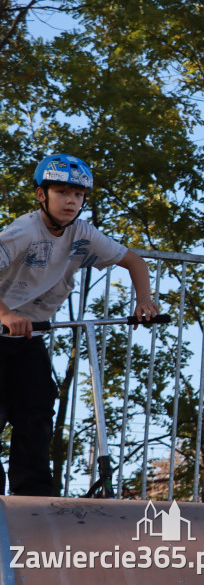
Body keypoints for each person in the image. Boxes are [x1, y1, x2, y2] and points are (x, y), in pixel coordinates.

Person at [0, 154, 160, 496]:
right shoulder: (22, 231)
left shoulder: (83, 234)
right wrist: (6, 314)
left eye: (79, 195)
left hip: (30, 337)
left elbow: (133, 261)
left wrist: (144, 300)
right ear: (42, 195)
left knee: (37, 413)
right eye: (62, 192)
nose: (72, 201)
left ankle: (34, 499)